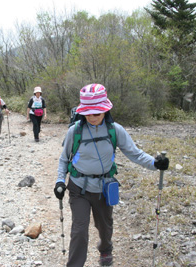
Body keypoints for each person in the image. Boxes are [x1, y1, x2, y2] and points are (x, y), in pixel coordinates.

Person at [53, 84, 169, 267]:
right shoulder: (74, 131)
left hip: (104, 187)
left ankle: (105, 249)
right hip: (78, 187)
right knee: (79, 230)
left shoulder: (115, 130)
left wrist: (155, 163)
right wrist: (60, 181)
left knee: (105, 227)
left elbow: (135, 153)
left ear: (105, 111)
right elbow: (63, 160)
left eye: (96, 113)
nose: (92, 117)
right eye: (88, 113)